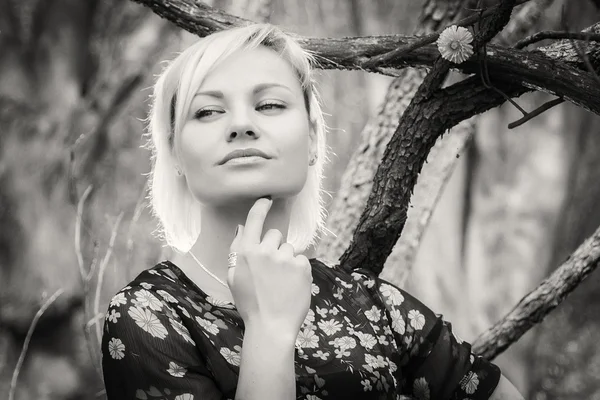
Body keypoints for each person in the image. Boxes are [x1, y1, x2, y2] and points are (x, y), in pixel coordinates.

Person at [100, 23, 524, 400]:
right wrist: (269, 330)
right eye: (208, 111)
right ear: (173, 151)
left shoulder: (373, 303)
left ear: (314, 138)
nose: (241, 124)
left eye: (269, 105)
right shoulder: (146, 316)